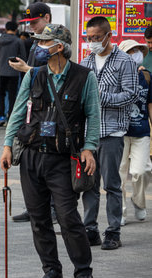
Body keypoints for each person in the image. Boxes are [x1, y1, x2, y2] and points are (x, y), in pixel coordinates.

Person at [0, 24, 99, 278]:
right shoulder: (34, 76)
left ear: (59, 47)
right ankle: (52, 270)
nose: (39, 47)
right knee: (38, 218)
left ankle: (83, 272)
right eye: (39, 42)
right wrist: (8, 145)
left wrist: (89, 147)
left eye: (44, 42)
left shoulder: (84, 77)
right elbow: (18, 112)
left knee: (68, 217)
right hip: (32, 156)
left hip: (62, 159)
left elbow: (93, 117)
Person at [80, 16, 138, 250]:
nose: (92, 42)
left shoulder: (124, 61)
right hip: (88, 135)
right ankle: (90, 229)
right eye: (89, 38)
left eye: (96, 38)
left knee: (112, 184)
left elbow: (131, 94)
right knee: (89, 184)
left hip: (113, 132)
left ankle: (113, 231)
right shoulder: (85, 62)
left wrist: (101, 98)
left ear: (108, 36)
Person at [9, 2, 53, 223]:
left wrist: (28, 70)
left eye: (34, 22)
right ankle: (33, 206)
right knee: (30, 157)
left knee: (49, 158)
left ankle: (52, 208)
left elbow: (56, 71)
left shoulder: (56, 41)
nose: (31, 26)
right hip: (31, 106)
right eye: (29, 23)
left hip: (49, 109)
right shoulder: (36, 43)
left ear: (47, 17)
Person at [118, 40, 152, 225]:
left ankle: (139, 202)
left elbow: (150, 104)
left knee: (142, 171)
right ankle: (121, 212)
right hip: (120, 132)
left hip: (142, 131)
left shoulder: (147, 76)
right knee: (120, 173)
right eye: (131, 51)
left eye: (137, 50)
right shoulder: (116, 75)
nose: (135, 53)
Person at [0, 21, 26, 121]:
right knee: (12, 96)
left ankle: (1, 115)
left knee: (1, 95)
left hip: (0, 71)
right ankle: (11, 116)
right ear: (16, 30)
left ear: (6, 29)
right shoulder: (19, 41)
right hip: (14, 72)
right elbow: (23, 57)